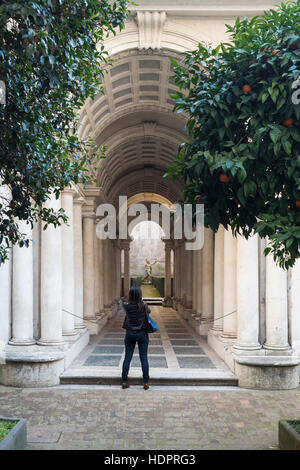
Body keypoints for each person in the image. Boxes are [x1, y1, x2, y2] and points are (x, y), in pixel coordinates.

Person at [121, 286, 150, 390]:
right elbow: (149, 312)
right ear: (140, 295)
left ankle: (124, 381)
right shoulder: (144, 305)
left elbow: (123, 303)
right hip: (142, 334)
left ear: (130, 295)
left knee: (127, 357)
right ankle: (146, 382)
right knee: (144, 358)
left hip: (130, 334)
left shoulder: (127, 306)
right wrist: (141, 300)